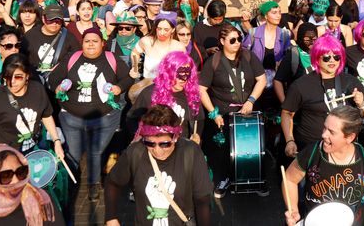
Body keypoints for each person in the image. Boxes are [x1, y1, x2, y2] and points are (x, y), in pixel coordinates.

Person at [48, 27, 131, 201]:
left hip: (104, 118)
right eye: (87, 41)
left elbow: (128, 77)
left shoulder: (111, 59)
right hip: (71, 117)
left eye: (95, 40)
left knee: (96, 151)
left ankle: (93, 183)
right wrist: (57, 87)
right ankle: (71, 184)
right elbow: (53, 77)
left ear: (102, 43)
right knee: (74, 153)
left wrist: (119, 87)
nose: (91, 44)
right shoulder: (72, 58)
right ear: (82, 43)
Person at [104, 105, 212, 226]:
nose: (157, 150)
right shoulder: (135, 152)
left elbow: (202, 201)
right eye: (150, 143)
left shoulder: (191, 153)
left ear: (175, 137)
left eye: (164, 144)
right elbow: (112, 182)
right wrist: (111, 218)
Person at [281, 106, 364, 226]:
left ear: (350, 137)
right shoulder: (312, 153)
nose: (324, 135)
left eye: (331, 132)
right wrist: (293, 209)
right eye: (324, 128)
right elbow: (289, 179)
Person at [199, 24, 267, 198]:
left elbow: (261, 79)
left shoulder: (248, 56)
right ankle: (223, 179)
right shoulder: (213, 62)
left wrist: (251, 100)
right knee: (222, 149)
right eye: (232, 40)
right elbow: (201, 89)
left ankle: (256, 177)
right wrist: (213, 114)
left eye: (239, 39)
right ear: (222, 41)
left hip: (248, 110)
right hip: (223, 112)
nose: (237, 43)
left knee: (255, 145)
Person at [281, 34, 364, 159]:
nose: (332, 60)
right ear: (316, 57)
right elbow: (287, 113)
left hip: (344, 147)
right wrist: (289, 140)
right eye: (326, 57)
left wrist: (361, 103)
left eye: (336, 57)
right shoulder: (301, 85)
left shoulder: (350, 81)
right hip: (312, 147)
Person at [0, 54, 64, 159]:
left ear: (27, 76)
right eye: (8, 76)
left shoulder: (38, 89)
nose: (12, 82)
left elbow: (46, 115)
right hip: (6, 156)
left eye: (18, 77)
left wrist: (56, 141)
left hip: (34, 149)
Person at [127, 51, 203, 141]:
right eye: (180, 74)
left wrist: (197, 136)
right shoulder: (149, 93)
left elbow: (199, 120)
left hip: (182, 150)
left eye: (187, 74)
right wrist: (146, 138)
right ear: (169, 73)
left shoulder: (192, 95)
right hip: (157, 150)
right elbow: (131, 119)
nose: (184, 79)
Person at [132, 16, 186, 81]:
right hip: (148, 86)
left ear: (173, 30)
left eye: (166, 30)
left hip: (169, 86)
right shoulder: (146, 41)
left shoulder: (179, 47)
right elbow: (135, 53)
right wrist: (135, 67)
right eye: (159, 29)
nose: (162, 33)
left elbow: (185, 69)